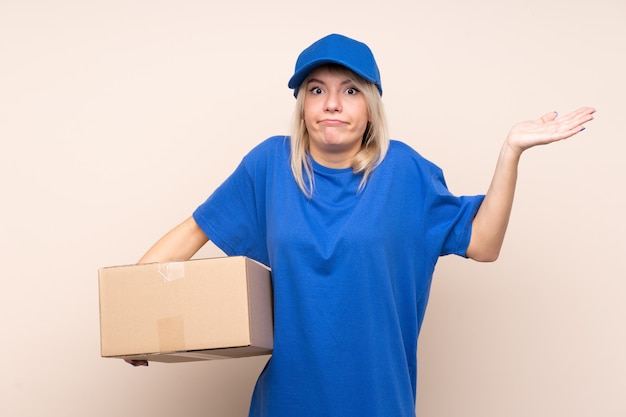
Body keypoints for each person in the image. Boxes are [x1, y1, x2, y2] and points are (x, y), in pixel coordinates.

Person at [130, 34, 595, 417]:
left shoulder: (405, 172)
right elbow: (194, 230)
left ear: (371, 106)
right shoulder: (270, 166)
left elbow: (484, 243)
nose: (332, 103)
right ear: (302, 105)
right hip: (287, 404)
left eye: (350, 90)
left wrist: (509, 152)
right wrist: (134, 321)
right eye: (317, 89)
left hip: (379, 403)